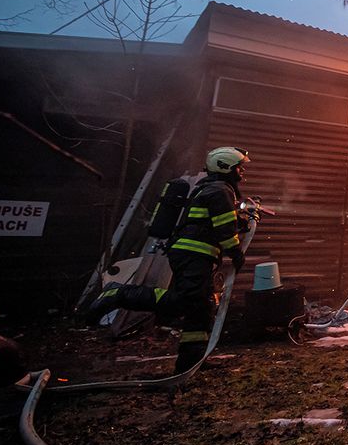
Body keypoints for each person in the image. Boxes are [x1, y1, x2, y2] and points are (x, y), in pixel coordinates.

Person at [88, 146, 254, 373]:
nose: (242, 172)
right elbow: (225, 230)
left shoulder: (213, 189)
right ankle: (118, 293)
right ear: (225, 167)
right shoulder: (219, 190)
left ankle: (190, 362)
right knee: (186, 302)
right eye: (239, 167)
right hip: (193, 253)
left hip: (196, 254)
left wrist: (241, 223)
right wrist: (236, 254)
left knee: (201, 309)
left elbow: (214, 222)